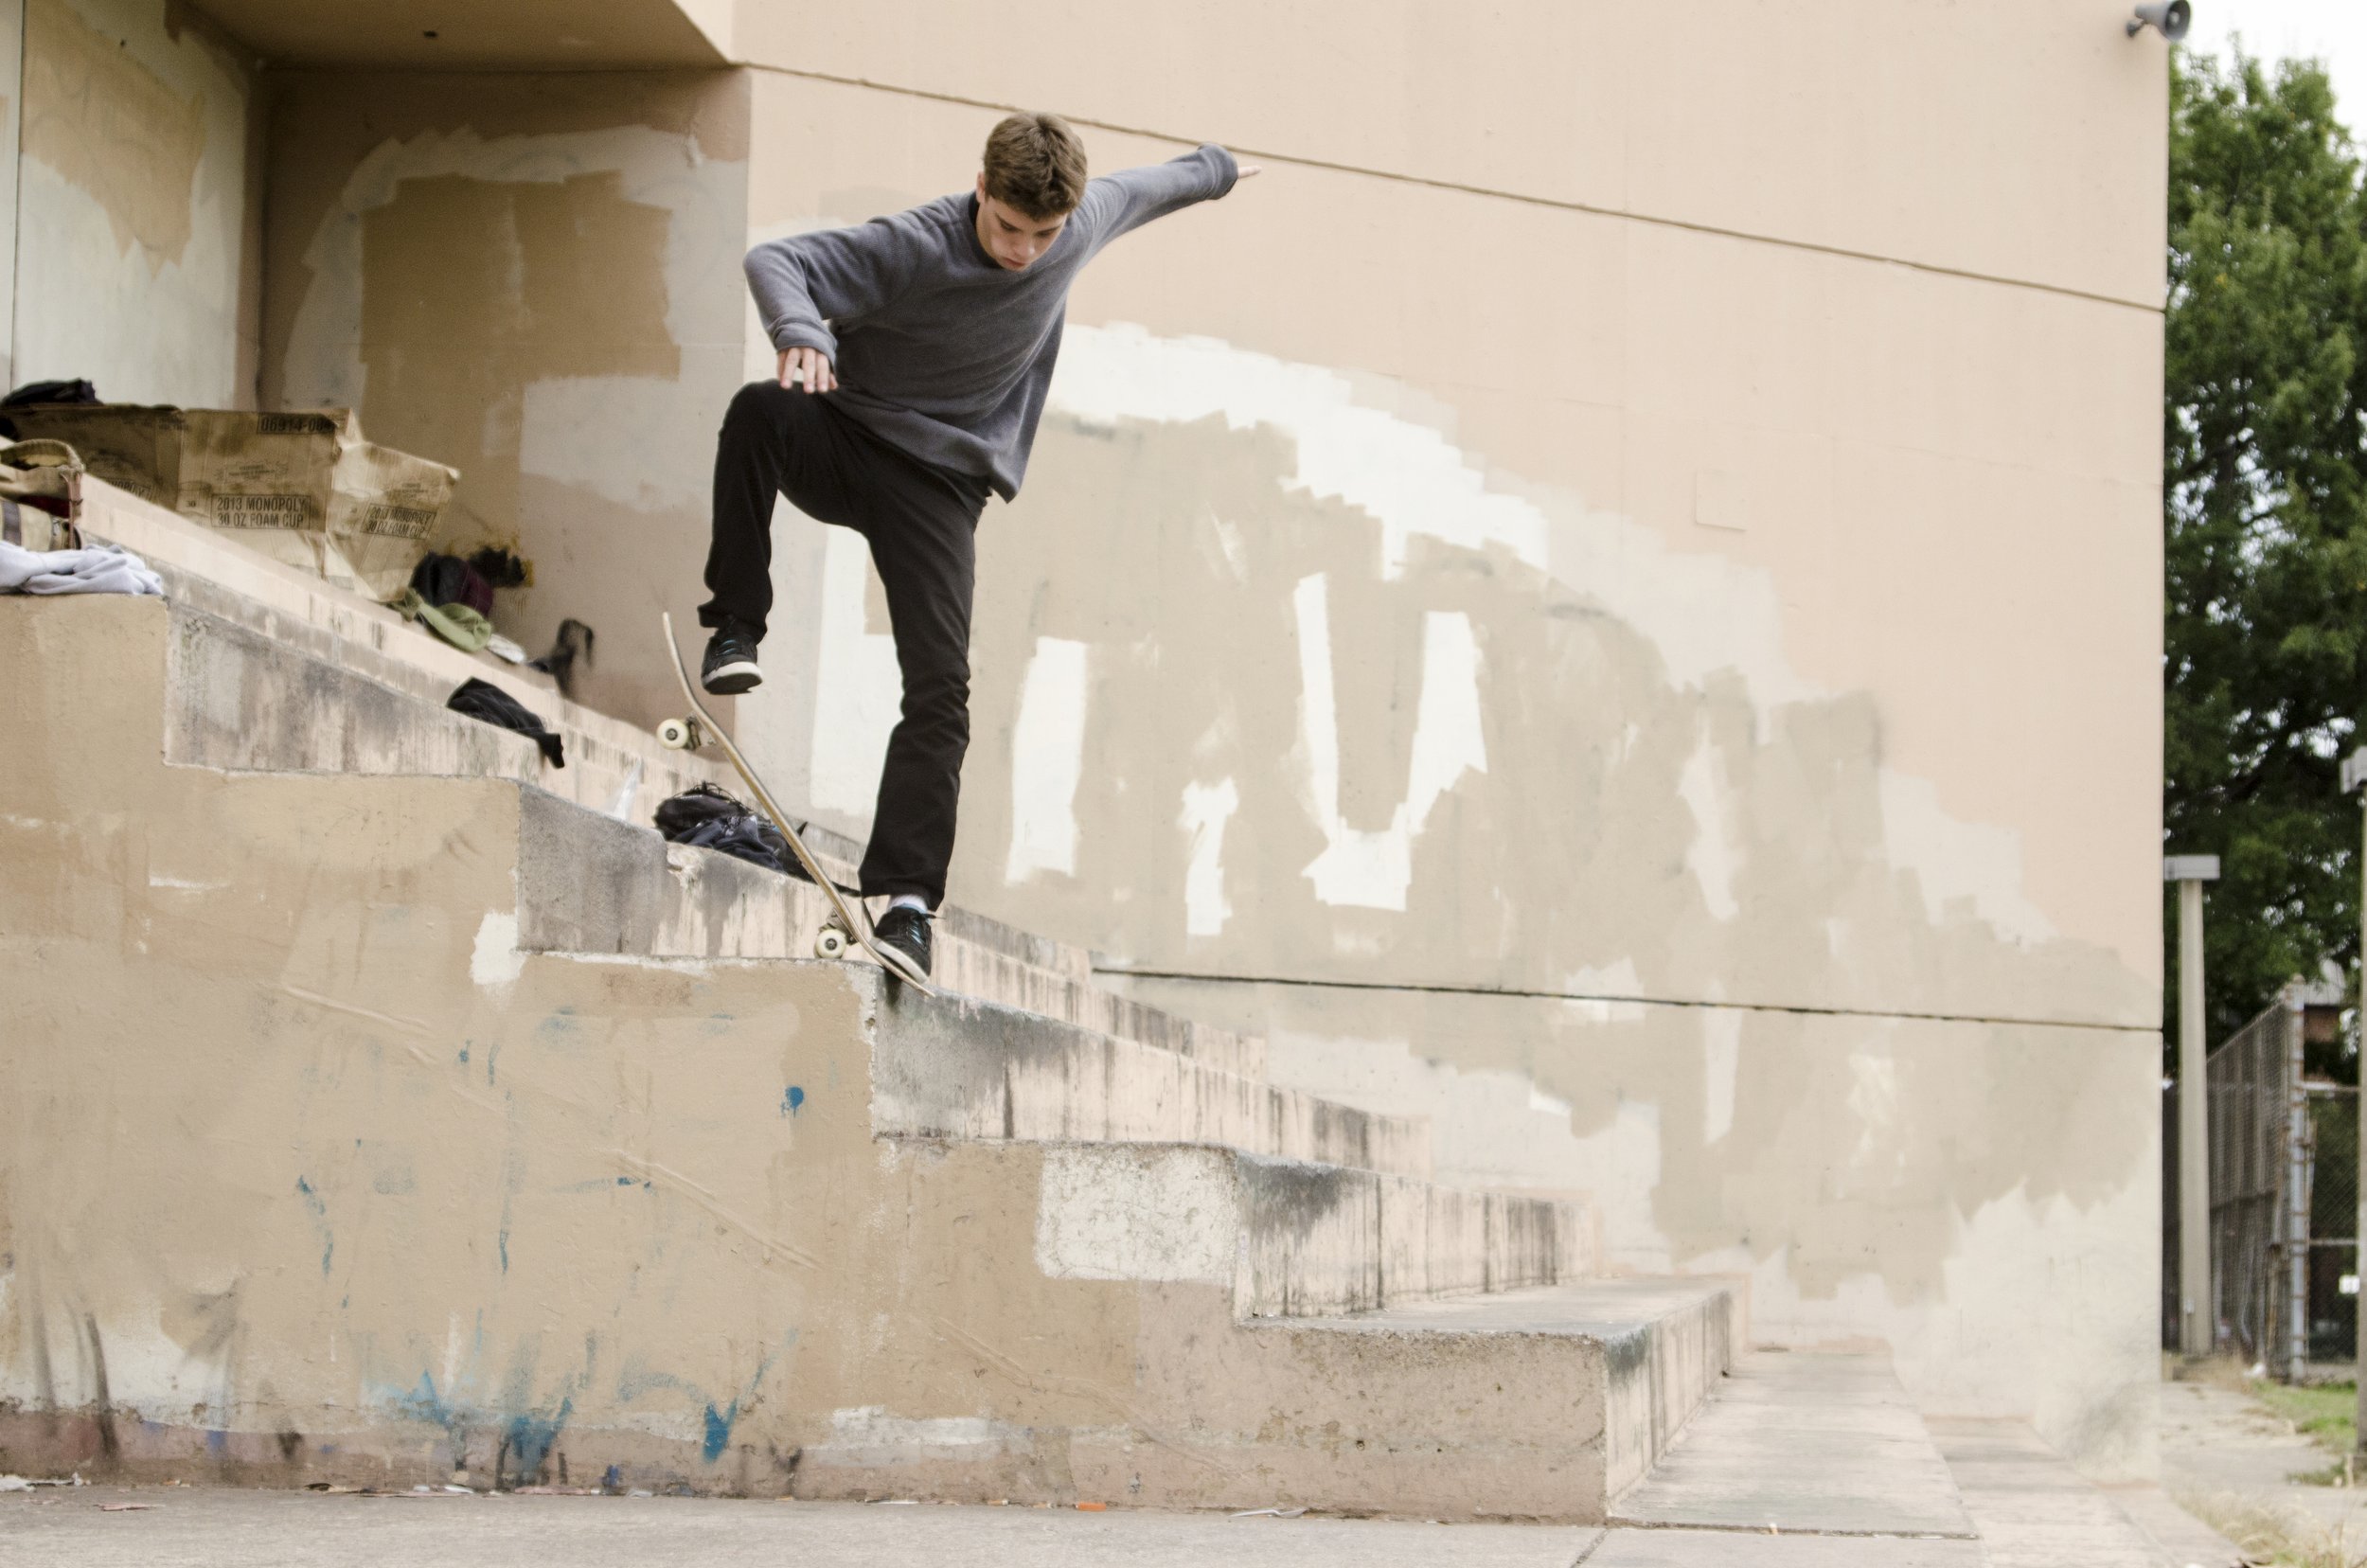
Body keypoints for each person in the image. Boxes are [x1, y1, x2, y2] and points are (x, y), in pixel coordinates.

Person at [695, 112, 1257, 982]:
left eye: (1044, 234)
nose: (1025, 250)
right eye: (1007, 226)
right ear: (981, 188)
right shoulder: (915, 243)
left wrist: (1220, 167)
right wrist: (800, 332)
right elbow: (778, 262)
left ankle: (909, 906)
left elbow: (1159, 187)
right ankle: (737, 625)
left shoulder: (1083, 221)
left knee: (943, 688)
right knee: (758, 411)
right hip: (844, 439)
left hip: (940, 488)